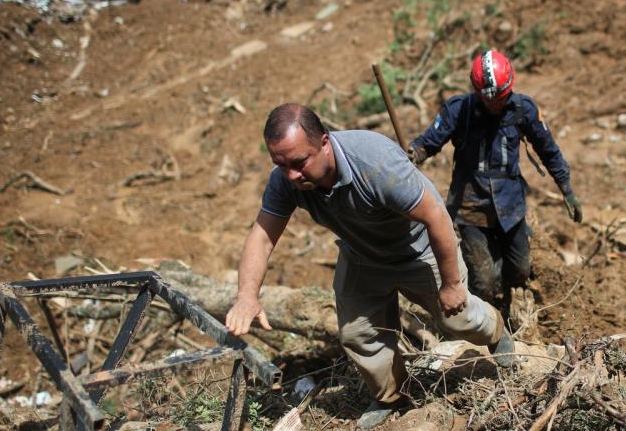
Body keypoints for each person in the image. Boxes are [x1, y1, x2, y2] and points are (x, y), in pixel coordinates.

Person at [225, 103, 514, 430]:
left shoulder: (375, 163)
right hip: (362, 254)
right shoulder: (286, 180)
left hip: (418, 249)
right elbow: (262, 235)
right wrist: (247, 295)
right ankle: (393, 395)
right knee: (359, 334)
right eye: (280, 164)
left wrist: (450, 284)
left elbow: (436, 218)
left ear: (324, 142)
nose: (291, 174)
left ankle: (496, 328)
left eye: (298, 163)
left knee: (460, 319)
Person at [407, 49, 582, 311]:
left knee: (520, 270)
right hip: (469, 207)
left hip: (510, 206)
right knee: (485, 282)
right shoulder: (459, 110)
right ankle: (490, 323)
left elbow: (548, 150)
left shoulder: (524, 110)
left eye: (500, 98)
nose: (495, 105)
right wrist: (413, 154)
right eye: (489, 100)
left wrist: (566, 188)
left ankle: (512, 298)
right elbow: (428, 142)